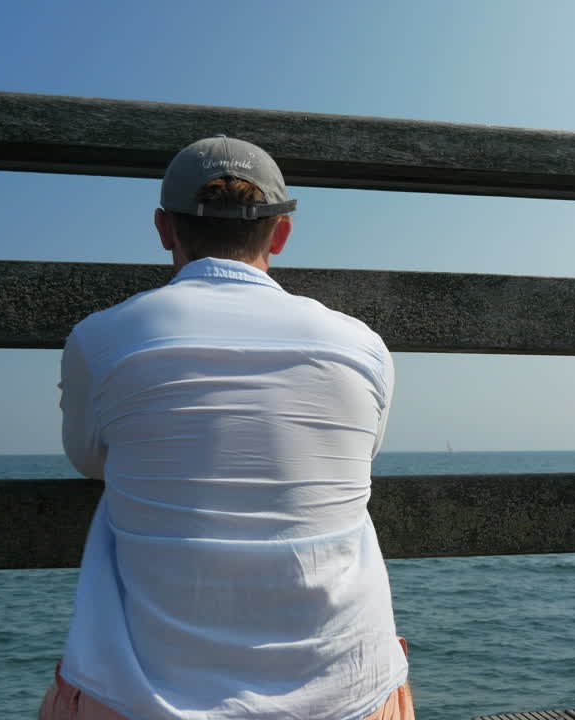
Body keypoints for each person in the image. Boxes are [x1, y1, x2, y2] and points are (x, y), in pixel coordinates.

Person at [41, 135, 411, 720]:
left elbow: (91, 459)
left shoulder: (101, 339)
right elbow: (357, 460)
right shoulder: (362, 347)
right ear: (280, 234)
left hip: (143, 705)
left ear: (165, 228)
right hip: (351, 700)